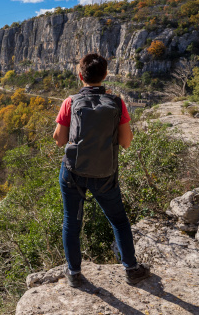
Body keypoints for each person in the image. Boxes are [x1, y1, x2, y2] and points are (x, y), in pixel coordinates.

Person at [53, 53, 150, 287]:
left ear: (80, 76)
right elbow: (126, 142)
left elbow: (59, 139)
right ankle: (131, 269)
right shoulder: (117, 102)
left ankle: (74, 274)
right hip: (105, 175)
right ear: (105, 75)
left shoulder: (70, 101)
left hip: (73, 173)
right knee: (118, 221)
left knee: (71, 222)